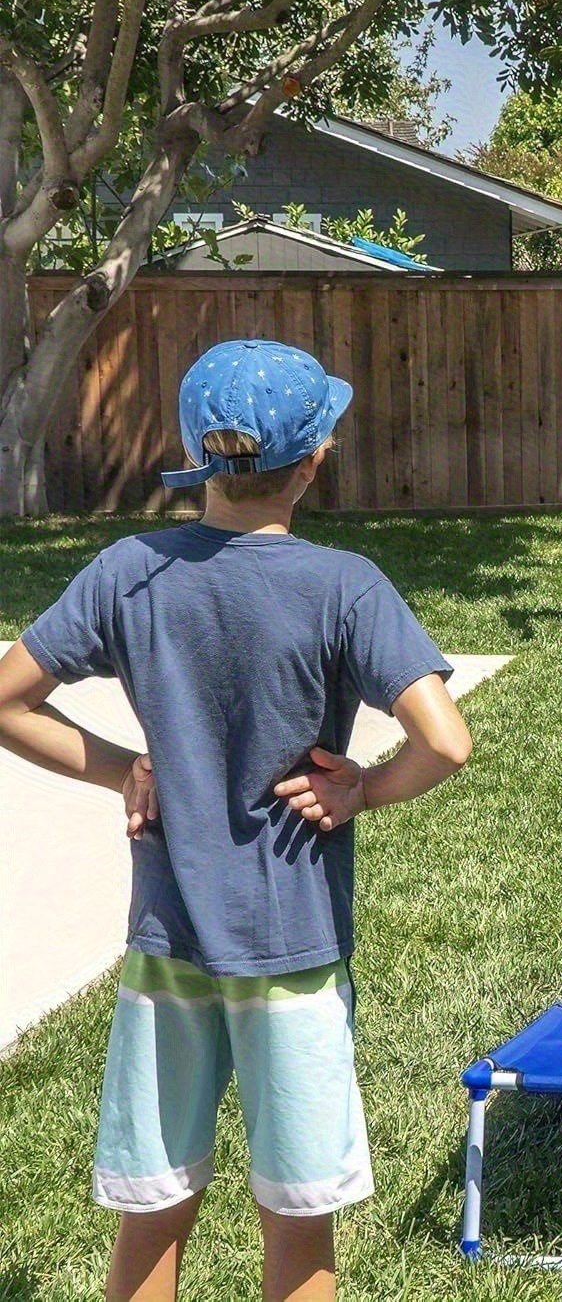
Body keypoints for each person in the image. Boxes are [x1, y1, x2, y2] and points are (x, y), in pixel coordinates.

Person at [0, 339, 472, 1302]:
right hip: (291, 952)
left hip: (166, 944)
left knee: (154, 1213)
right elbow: (446, 741)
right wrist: (360, 789)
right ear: (312, 462)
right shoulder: (345, 583)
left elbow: (8, 699)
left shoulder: (127, 569)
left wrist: (125, 767)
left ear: (197, 454)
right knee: (299, 1227)